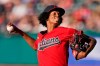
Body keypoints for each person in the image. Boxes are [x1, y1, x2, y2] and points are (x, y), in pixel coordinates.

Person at [7, 5, 97, 66]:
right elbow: (35, 46)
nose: (57, 15)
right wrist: (19, 31)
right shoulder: (41, 35)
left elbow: (92, 40)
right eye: (54, 13)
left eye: (59, 14)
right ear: (46, 17)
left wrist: (85, 52)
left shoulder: (66, 31)